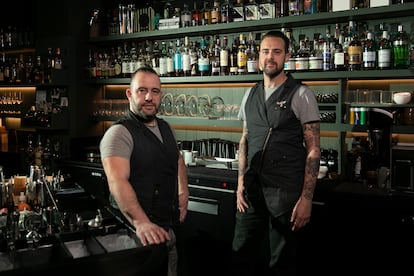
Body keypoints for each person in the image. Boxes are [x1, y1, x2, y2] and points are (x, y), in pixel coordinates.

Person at [231, 30, 321, 275]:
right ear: (259, 56)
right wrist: (240, 183)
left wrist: (307, 199)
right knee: (242, 254)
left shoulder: (301, 94)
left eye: (277, 52)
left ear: (287, 56)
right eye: (265, 51)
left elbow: (313, 150)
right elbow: (245, 139)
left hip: (285, 193)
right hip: (251, 190)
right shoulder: (250, 94)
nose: (270, 57)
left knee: (281, 263)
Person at [100, 66, 189, 276]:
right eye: (142, 90)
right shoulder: (119, 133)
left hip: (165, 230)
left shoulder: (166, 128)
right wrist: (141, 222)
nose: (149, 97)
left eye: (155, 91)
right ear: (129, 94)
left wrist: (182, 193)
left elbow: (177, 161)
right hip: (134, 235)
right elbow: (117, 181)